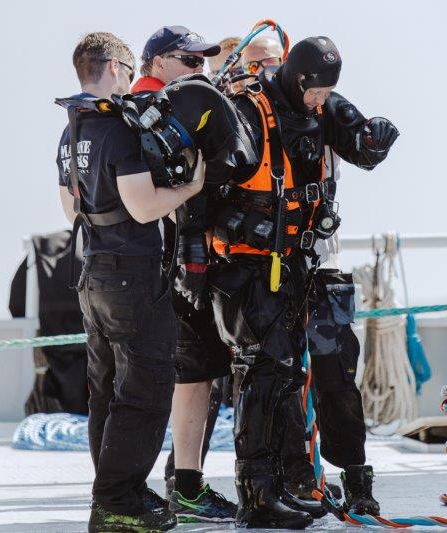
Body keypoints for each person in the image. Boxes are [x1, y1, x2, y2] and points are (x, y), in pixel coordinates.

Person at [204, 36, 399, 528]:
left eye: (269, 58)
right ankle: (266, 489)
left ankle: (349, 481)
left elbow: (362, 150)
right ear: (294, 77)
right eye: (257, 61)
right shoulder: (248, 111)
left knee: (330, 372)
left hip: (312, 263)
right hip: (258, 267)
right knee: (267, 373)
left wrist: (376, 137)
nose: (319, 100)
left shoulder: (326, 107)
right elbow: (208, 191)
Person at [56, 31, 205, 532]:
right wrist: (190, 187)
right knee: (145, 389)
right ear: (116, 67)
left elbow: (71, 209)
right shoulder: (119, 125)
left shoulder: (72, 127)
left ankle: (115, 494)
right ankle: (117, 500)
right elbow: (143, 207)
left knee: (105, 390)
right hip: (132, 274)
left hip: (92, 273)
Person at [131, 26, 239, 523]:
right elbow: (187, 185)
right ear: (156, 63)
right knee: (194, 374)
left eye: (203, 63)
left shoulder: (126, 112)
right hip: (170, 267)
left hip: (133, 268)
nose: (200, 71)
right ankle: (186, 488)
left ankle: (131, 491)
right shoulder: (157, 113)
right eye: (189, 61)